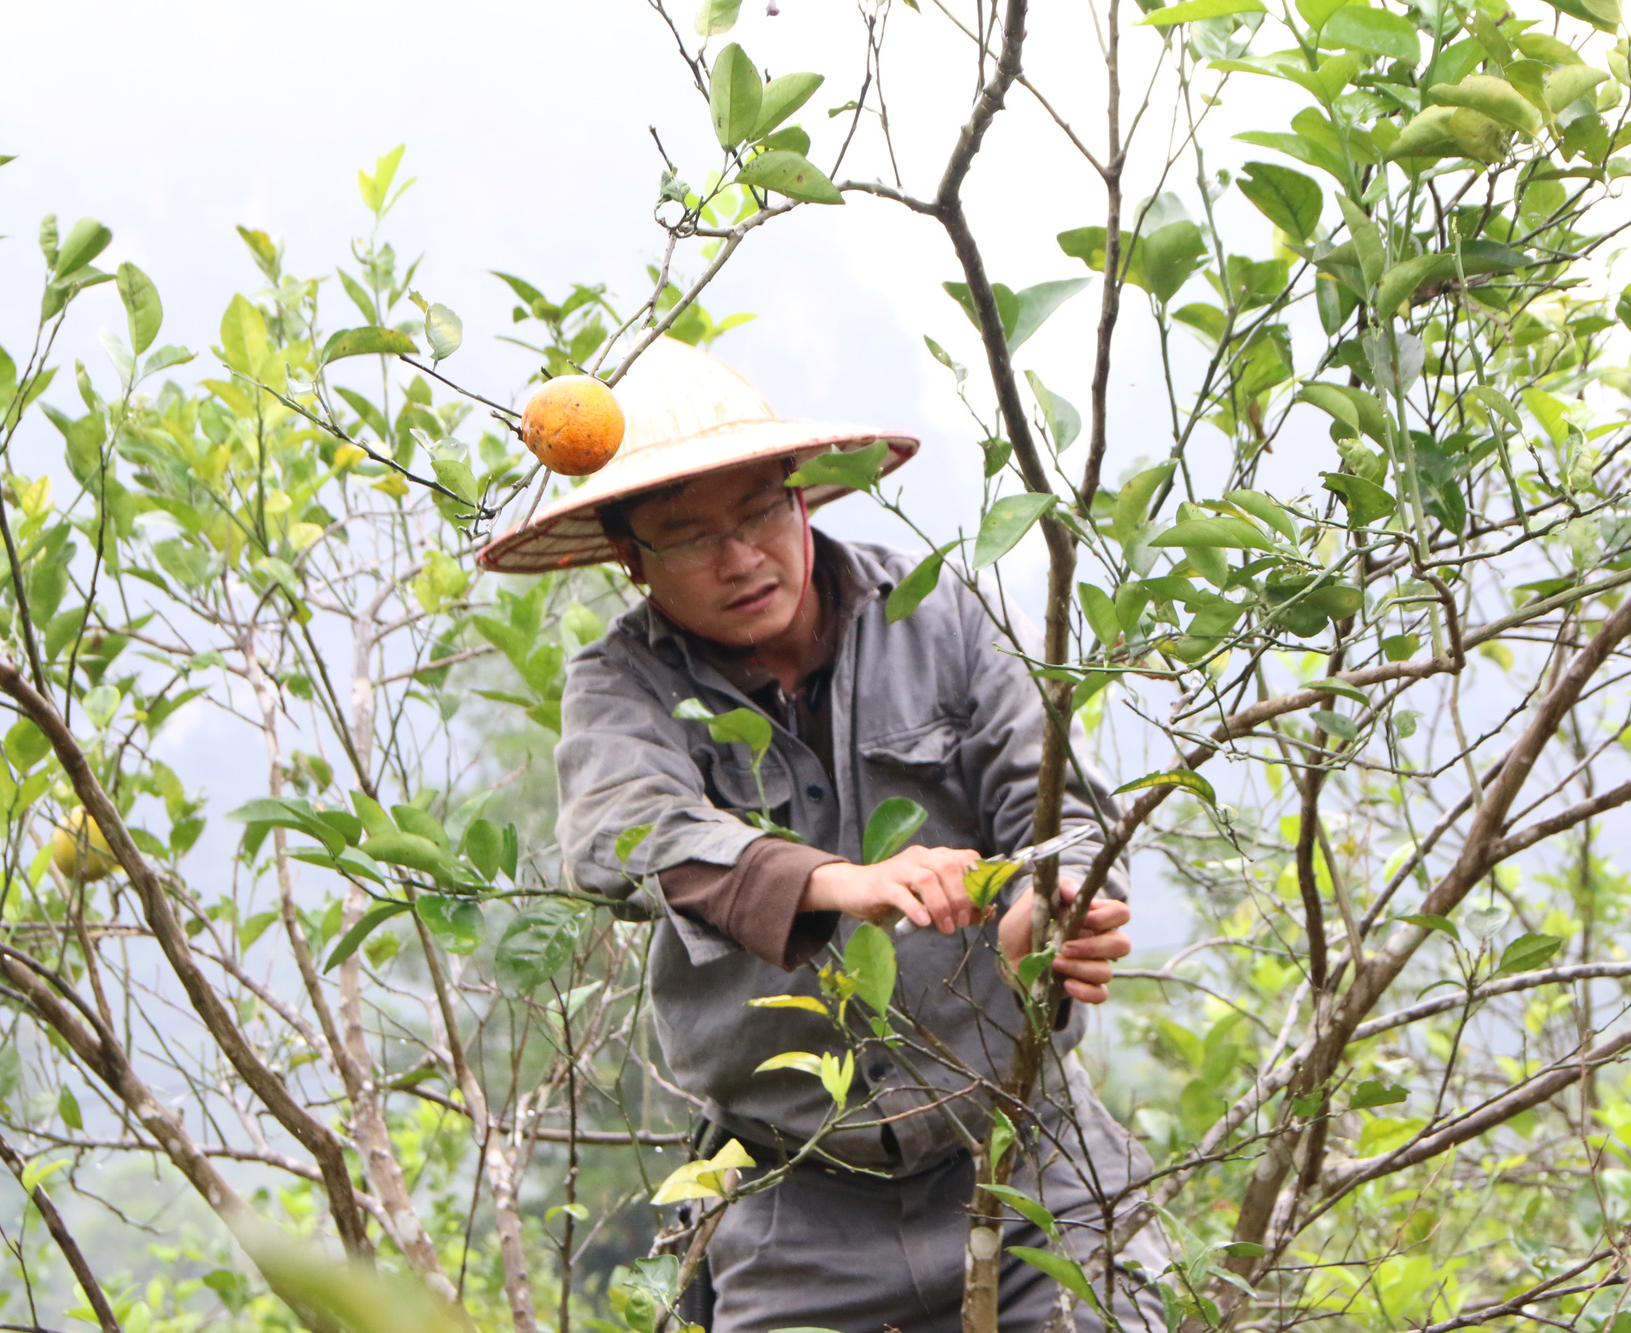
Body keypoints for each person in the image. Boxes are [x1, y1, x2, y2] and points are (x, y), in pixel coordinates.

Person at [478, 339, 1166, 1333]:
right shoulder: (618, 685)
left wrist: (1044, 902)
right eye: (686, 535)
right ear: (631, 559)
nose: (739, 557)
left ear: (799, 497)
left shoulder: (940, 615)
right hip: (793, 1203)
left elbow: (1048, 798)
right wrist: (841, 882)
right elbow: (624, 833)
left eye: (757, 511)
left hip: (1025, 1158)